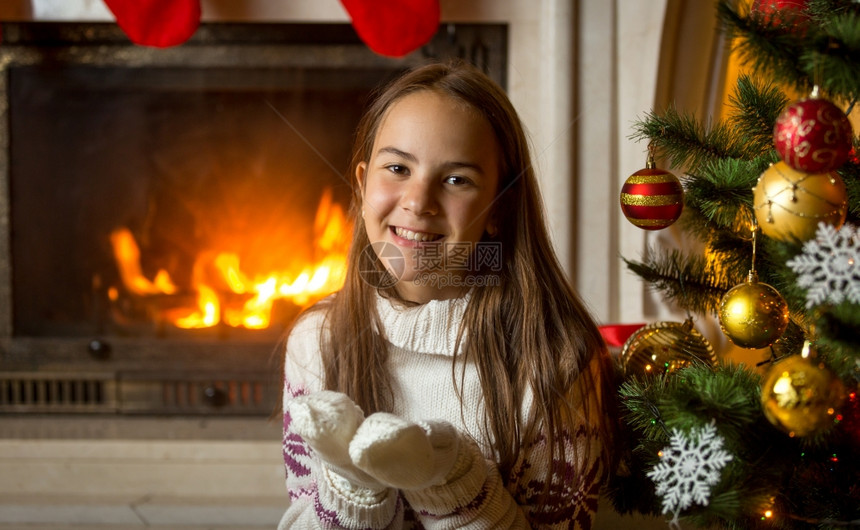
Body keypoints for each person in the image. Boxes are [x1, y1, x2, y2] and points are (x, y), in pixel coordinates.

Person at [278, 60, 617, 529]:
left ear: (499, 207)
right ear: (360, 185)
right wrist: (352, 490)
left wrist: (449, 477)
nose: (418, 201)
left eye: (457, 179)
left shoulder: (552, 359)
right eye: (397, 168)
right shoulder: (316, 341)